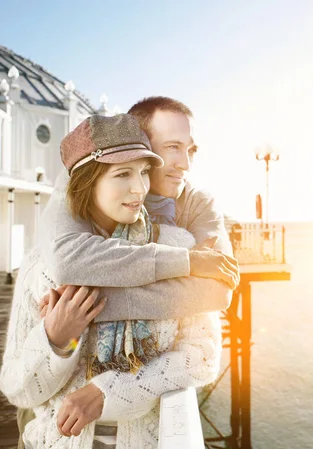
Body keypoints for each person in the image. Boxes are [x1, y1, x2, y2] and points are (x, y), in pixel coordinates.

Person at [0, 113, 228, 447]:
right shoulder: (42, 267)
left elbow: (205, 356)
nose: (140, 188)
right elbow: (19, 388)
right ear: (87, 182)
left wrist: (108, 392)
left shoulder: (177, 248)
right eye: (123, 174)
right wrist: (58, 341)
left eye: (144, 172)